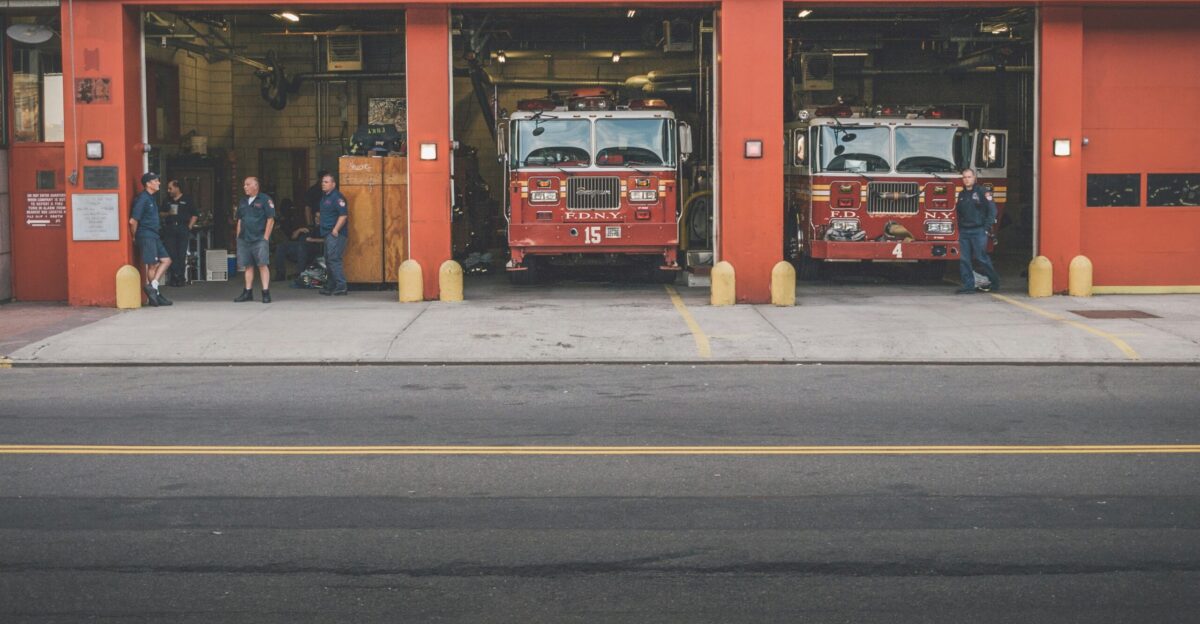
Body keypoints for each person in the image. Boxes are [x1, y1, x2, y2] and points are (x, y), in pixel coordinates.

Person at [129, 172, 172, 307]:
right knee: (152, 265)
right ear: (148, 184)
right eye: (156, 181)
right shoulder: (142, 199)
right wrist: (135, 236)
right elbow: (133, 221)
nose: (159, 183)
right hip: (146, 234)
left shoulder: (151, 198)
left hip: (154, 235)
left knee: (166, 260)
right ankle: (156, 294)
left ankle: (153, 287)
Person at [955, 168, 1001, 294]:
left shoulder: (982, 192)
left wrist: (986, 228)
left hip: (978, 230)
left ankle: (994, 282)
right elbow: (959, 213)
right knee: (964, 260)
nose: (966, 179)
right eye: (964, 177)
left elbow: (993, 211)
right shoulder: (962, 195)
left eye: (969, 177)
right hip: (965, 231)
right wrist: (960, 228)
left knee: (981, 258)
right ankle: (968, 286)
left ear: (974, 178)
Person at [233, 177, 276, 303]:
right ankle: (247, 292)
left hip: (259, 238)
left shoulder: (264, 199)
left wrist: (266, 237)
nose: (244, 187)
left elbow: (271, 219)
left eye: (247, 184)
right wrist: (237, 236)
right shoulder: (243, 201)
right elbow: (240, 220)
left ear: (255, 186)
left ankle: (265, 292)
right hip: (244, 238)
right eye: (244, 184)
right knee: (248, 266)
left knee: (262, 264)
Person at [317, 173, 349, 296]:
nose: (323, 184)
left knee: (334, 259)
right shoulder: (325, 197)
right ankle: (331, 285)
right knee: (328, 259)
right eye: (322, 182)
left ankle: (341, 286)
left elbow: (343, 215)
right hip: (326, 233)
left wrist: (336, 229)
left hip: (335, 234)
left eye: (326, 182)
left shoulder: (337, 197)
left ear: (333, 184)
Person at [160, 180, 197, 287]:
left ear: (177, 188)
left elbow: (195, 215)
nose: (168, 190)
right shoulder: (167, 200)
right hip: (170, 227)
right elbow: (161, 213)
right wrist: (168, 213)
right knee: (171, 253)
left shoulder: (187, 199)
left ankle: (180, 277)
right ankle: (173, 277)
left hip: (182, 227)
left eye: (170, 188)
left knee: (181, 253)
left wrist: (189, 227)